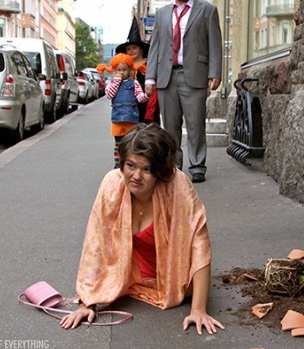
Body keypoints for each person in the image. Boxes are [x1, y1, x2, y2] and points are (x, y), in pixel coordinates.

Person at [59, 123, 225, 335]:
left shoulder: (177, 185)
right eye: (130, 165)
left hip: (177, 280)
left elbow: (199, 244)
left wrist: (199, 310)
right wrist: (87, 303)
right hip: (130, 278)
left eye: (146, 169)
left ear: (160, 172)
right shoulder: (111, 184)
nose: (136, 176)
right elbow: (95, 245)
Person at [145, 0, 222, 184]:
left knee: (196, 124)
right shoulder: (162, 14)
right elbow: (155, 46)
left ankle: (197, 166)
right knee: (170, 127)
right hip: (166, 77)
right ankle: (174, 166)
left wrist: (215, 73)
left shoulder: (207, 10)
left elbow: (215, 44)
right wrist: (150, 78)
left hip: (195, 76)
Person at [98, 53, 148, 168]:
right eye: (118, 70)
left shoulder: (134, 83)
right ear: (114, 70)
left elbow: (140, 98)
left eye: (124, 69)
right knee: (118, 144)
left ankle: (131, 163)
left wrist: (146, 95)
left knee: (132, 143)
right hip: (117, 119)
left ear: (130, 70)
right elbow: (110, 95)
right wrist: (116, 81)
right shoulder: (111, 84)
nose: (121, 72)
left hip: (131, 118)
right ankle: (119, 164)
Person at [116, 16, 160, 124]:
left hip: (148, 104)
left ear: (141, 50)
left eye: (134, 48)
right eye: (128, 49)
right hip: (129, 106)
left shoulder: (149, 65)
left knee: (148, 130)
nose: (131, 51)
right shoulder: (124, 67)